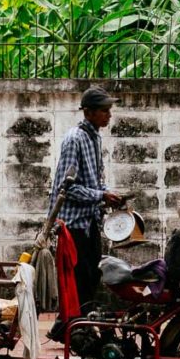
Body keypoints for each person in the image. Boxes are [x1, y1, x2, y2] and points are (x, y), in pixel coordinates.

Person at [47, 86, 124, 316]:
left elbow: (95, 179)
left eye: (109, 110)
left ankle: (81, 326)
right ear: (88, 113)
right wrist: (100, 196)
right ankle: (72, 328)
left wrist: (107, 194)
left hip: (89, 220)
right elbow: (65, 187)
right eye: (104, 110)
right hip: (72, 225)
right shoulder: (75, 140)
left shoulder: (94, 138)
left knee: (92, 275)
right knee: (78, 278)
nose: (109, 115)